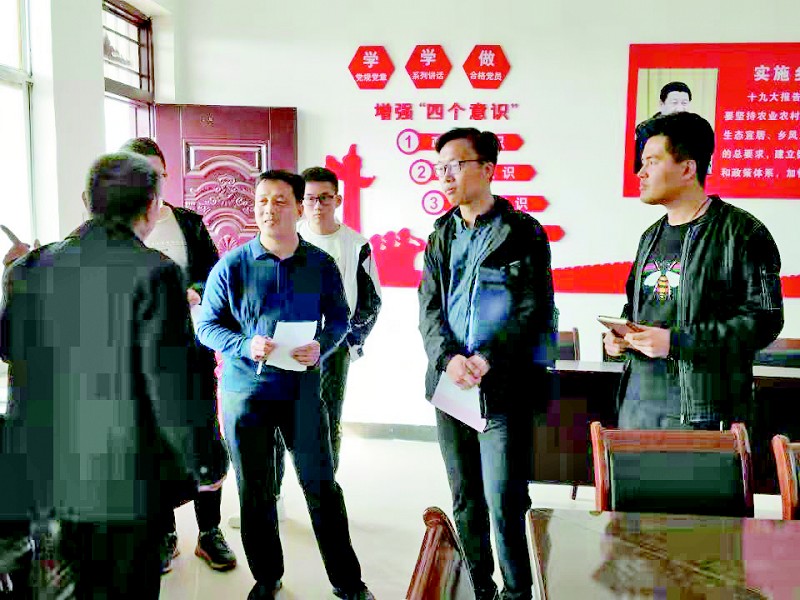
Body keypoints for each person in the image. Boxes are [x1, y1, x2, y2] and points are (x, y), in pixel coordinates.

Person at [0, 152, 227, 598]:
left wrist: (11, 279)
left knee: (56, 588)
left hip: (40, 473)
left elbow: (7, 347)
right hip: (120, 482)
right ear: (152, 207)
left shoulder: (29, 267)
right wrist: (206, 462)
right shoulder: (156, 273)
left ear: (87, 201)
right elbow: (173, 388)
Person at [195, 169, 375, 600]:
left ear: (298, 208)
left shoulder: (319, 264)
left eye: (279, 201)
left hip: (301, 392)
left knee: (321, 485)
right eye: (262, 200)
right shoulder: (233, 265)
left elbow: (340, 319)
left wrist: (321, 346)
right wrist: (244, 344)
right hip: (246, 395)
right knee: (255, 491)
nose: (269, 209)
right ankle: (267, 577)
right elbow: (206, 327)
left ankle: (348, 582)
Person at [418, 127, 556, 600]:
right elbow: (429, 309)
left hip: (501, 387)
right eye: (440, 168)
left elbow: (532, 308)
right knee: (465, 499)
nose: (445, 176)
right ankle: (481, 588)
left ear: (487, 169)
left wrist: (487, 358)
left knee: (504, 499)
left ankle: (517, 593)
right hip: (451, 386)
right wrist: (447, 359)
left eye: (455, 165)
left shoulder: (522, 233)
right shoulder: (441, 235)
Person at [605, 111, 784, 430]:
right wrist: (619, 338)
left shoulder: (742, 233)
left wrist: (677, 342)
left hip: (704, 415)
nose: (640, 173)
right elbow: (637, 309)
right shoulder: (650, 237)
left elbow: (764, 321)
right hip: (637, 410)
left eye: (652, 162)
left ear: (688, 168)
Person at [119, 137, 236, 574]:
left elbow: (215, 275)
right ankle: (166, 532)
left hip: (191, 351)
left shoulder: (188, 223)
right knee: (154, 445)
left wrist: (194, 290)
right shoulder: (115, 231)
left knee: (204, 437)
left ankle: (210, 531)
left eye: (158, 174)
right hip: (140, 360)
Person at [272, 166, 381, 488]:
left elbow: (371, 300)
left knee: (328, 417)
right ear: (300, 203)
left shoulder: (356, 245)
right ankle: (273, 489)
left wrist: (348, 340)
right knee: (276, 416)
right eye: (310, 198)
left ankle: (324, 489)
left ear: (338, 200)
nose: (317, 205)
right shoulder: (285, 238)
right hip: (286, 343)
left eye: (325, 198)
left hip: (332, 347)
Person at [634, 81, 693, 173]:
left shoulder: (696, 130)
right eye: (674, 103)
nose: (680, 108)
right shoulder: (646, 130)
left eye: (684, 103)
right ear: (661, 104)